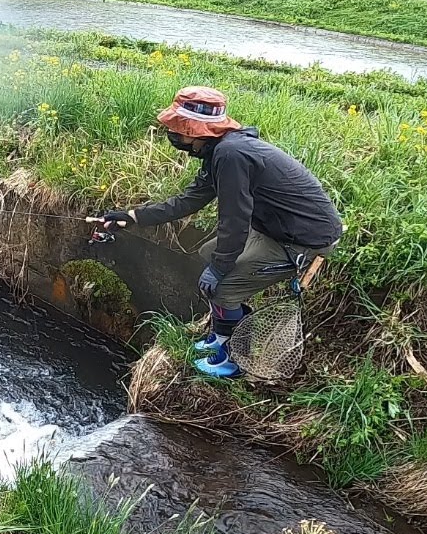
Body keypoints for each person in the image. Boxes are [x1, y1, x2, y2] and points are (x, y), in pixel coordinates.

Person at [93, 86, 342, 378]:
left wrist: (221, 269)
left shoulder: (231, 155)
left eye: (177, 128)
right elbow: (189, 200)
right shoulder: (219, 151)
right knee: (207, 253)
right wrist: (131, 216)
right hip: (275, 229)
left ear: (196, 130)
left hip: (304, 241)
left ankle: (235, 360)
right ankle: (224, 332)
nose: (172, 134)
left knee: (222, 286)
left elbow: (234, 220)